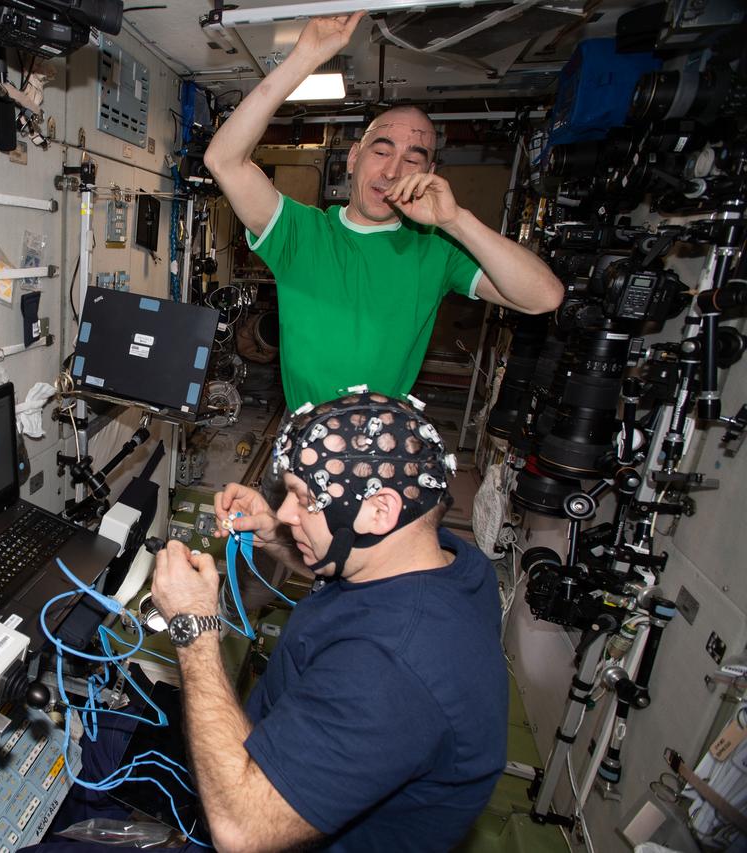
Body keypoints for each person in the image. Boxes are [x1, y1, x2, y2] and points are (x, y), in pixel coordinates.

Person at [149, 391, 508, 851]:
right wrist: (280, 537)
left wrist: (193, 628)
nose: (285, 512)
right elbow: (361, 584)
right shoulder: (452, 561)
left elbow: (240, 831)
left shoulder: (387, 671)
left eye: (304, 498)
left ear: (380, 510)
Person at [202, 13, 563, 409]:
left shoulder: (437, 248)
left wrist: (456, 220)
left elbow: (543, 297)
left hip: (385, 440)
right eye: (381, 151)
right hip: (305, 437)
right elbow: (224, 160)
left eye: (412, 159)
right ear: (354, 158)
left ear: (429, 173)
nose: (392, 172)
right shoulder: (300, 232)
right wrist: (304, 58)